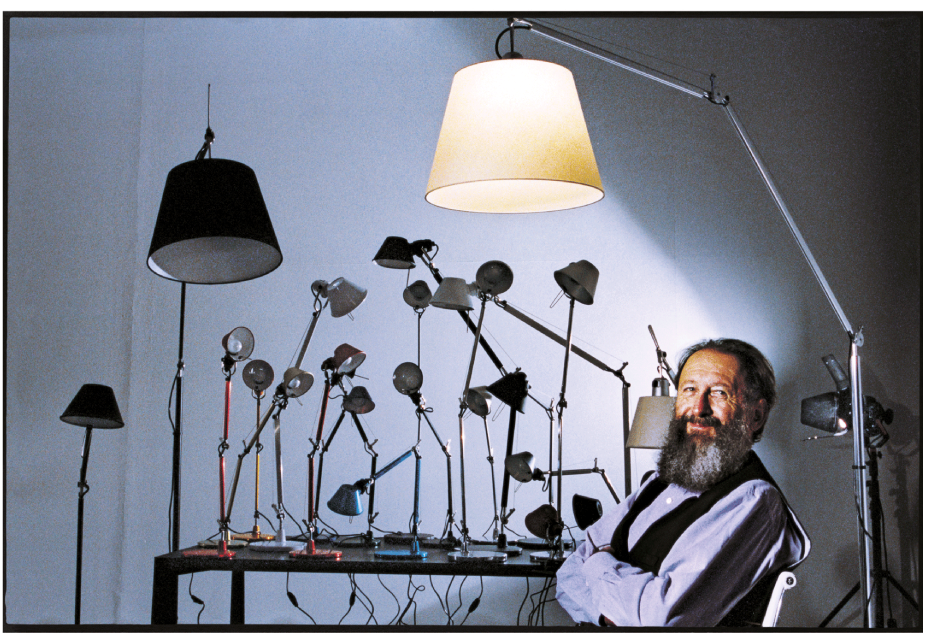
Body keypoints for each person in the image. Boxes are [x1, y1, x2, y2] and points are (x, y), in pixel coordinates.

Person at [555, 338, 810, 627]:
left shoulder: (753, 500)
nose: (698, 408)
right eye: (689, 390)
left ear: (756, 416)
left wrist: (598, 564)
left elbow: (662, 620)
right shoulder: (659, 482)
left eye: (719, 393)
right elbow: (566, 578)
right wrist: (609, 615)